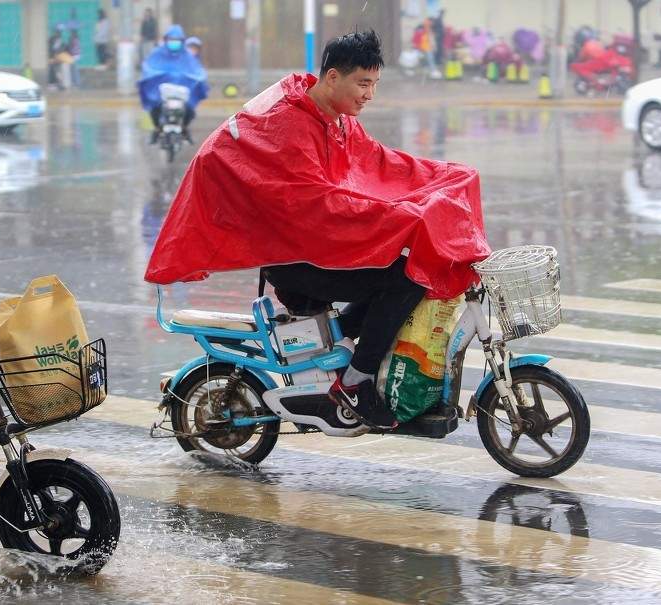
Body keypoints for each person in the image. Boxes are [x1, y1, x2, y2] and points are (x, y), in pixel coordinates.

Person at [144, 31, 488, 429]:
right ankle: (355, 382)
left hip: (316, 246)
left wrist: (444, 178)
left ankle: (334, 347)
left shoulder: (337, 120)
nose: (369, 95)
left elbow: (381, 165)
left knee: (402, 268)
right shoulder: (289, 126)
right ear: (331, 78)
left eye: (374, 85)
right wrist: (402, 216)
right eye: (363, 83)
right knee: (406, 279)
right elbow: (314, 206)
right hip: (293, 257)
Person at [138, 25, 209, 143]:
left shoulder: (187, 56)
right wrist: (159, 75)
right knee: (154, 109)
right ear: (166, 40)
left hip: (182, 94)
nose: (174, 43)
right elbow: (149, 67)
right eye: (171, 40)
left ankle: (184, 128)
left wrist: (198, 78)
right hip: (161, 94)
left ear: (182, 41)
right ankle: (156, 129)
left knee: (190, 111)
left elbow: (197, 71)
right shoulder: (158, 53)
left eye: (177, 40)